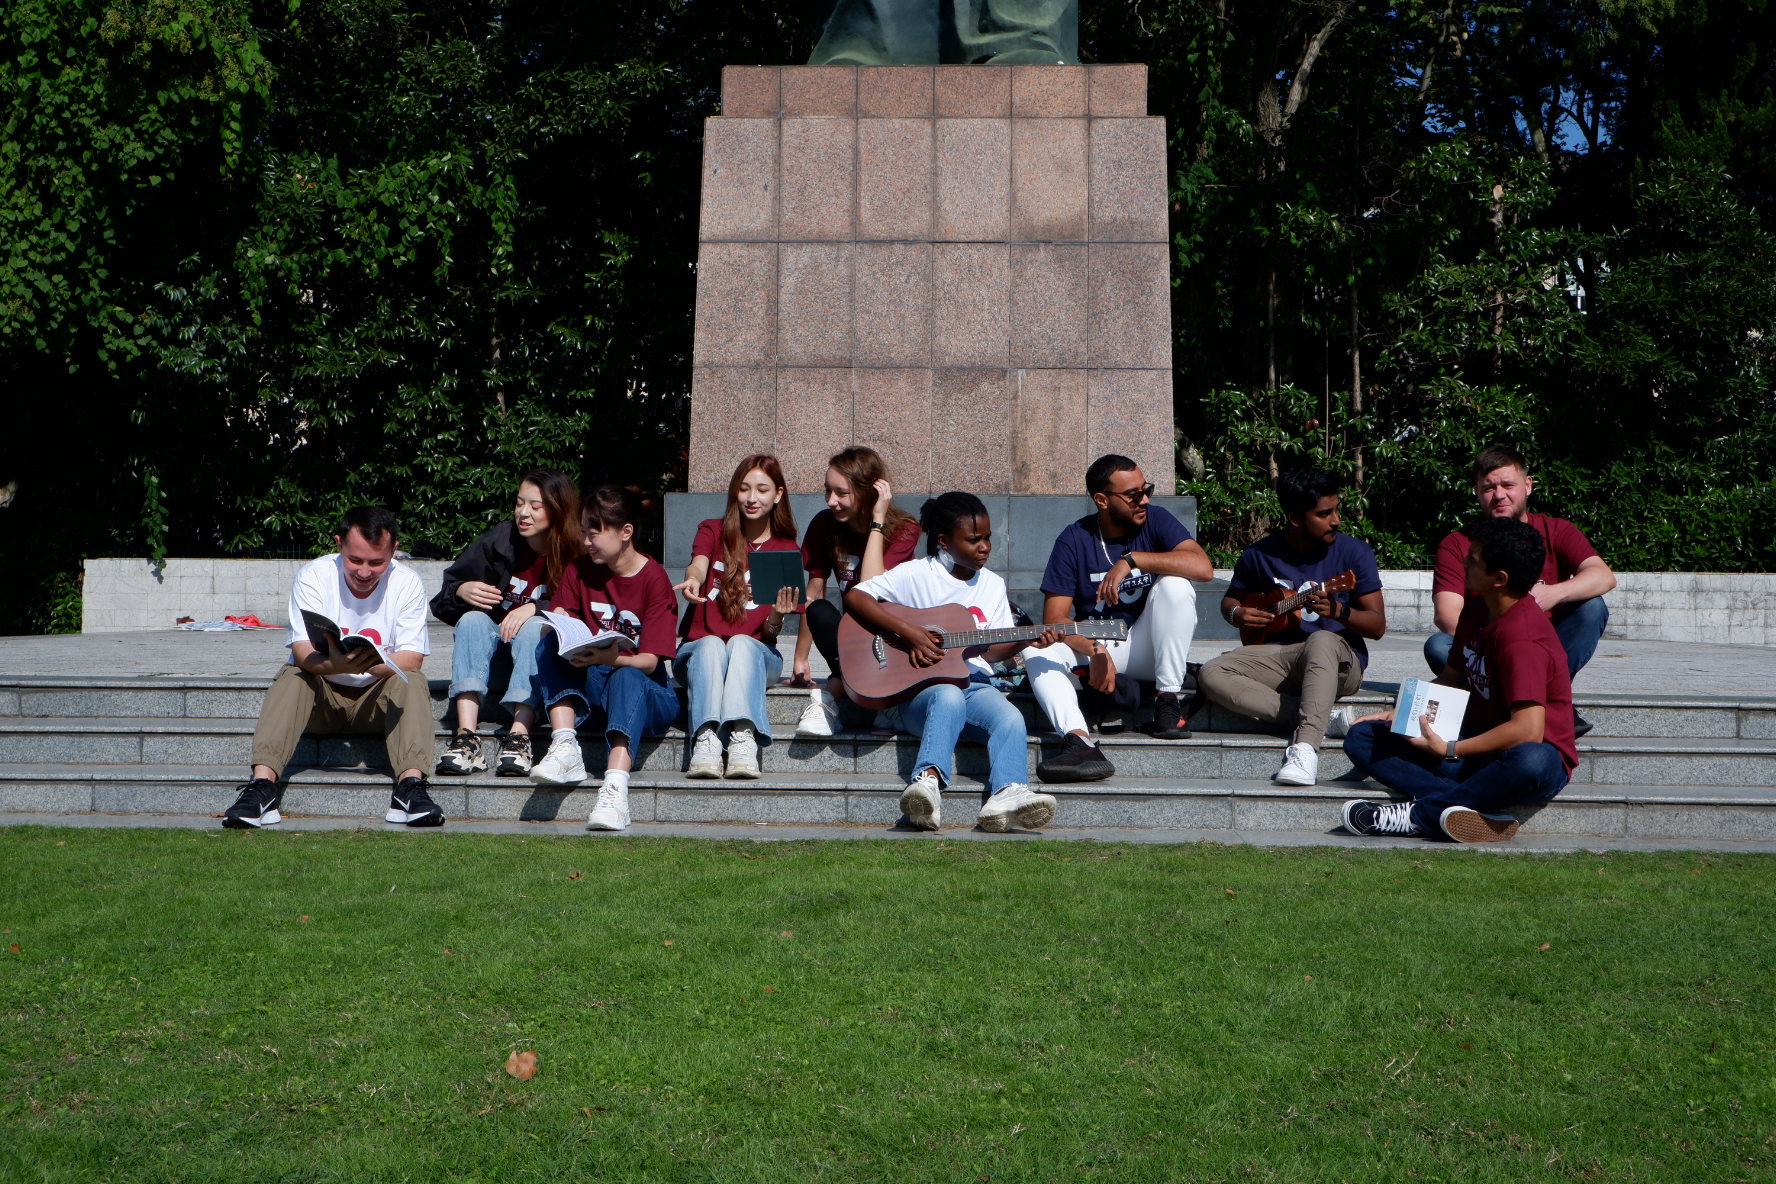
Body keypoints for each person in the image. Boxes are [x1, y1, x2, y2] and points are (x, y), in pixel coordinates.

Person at [1341, 516, 1577, 842]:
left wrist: (1449, 748)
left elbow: (1528, 730)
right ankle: (1470, 808)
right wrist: (1405, 712)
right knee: (1363, 737)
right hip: (1474, 745)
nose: (1465, 562)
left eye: (1474, 560)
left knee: (1532, 760)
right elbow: (1452, 677)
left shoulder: (1522, 639)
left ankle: (1419, 815)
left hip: (1524, 759)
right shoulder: (1477, 608)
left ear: (1499, 578)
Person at [844, 492, 1063, 832]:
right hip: (922, 694)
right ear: (944, 541)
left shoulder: (993, 584)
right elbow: (857, 596)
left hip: (975, 684)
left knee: (1010, 717)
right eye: (974, 540)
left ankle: (1007, 792)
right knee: (947, 695)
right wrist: (909, 632)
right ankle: (927, 784)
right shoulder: (916, 574)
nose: (985, 547)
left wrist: (1025, 639)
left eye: (987, 537)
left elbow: (990, 652)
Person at [223, 506, 441, 828]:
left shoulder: (407, 582)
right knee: (293, 675)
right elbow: (301, 651)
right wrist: (334, 664)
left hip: (377, 702)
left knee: (410, 679)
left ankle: (410, 788)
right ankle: (262, 787)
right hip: (320, 700)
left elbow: (412, 657)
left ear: (394, 551)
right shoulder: (314, 575)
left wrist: (368, 664)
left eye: (377, 563)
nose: (364, 572)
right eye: (355, 560)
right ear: (339, 544)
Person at [1021, 454, 1213, 782]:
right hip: (1100, 645)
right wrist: (1094, 649)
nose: (1145, 500)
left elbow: (1203, 568)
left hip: (1149, 646)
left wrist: (1132, 560)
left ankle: (1167, 701)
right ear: (1102, 500)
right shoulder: (1074, 538)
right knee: (1035, 650)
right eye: (1133, 495)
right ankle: (1079, 741)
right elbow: (1054, 619)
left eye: (1146, 489)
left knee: (1176, 586)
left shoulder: (1156, 520)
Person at [1198, 469, 1386, 787]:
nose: (1336, 520)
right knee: (1211, 672)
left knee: (1322, 639)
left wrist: (1339, 611)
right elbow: (1230, 600)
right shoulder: (1259, 555)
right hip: (1282, 658)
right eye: (1324, 514)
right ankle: (1322, 717)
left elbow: (1377, 625)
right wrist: (1237, 614)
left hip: (1339, 662)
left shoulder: (1355, 553)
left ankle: (1305, 749)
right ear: (1295, 518)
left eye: (1336, 510)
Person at [1425, 445, 1615, 736]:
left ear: (1528, 485)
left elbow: (1603, 576)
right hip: (1486, 648)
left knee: (1592, 607)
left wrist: (1551, 594)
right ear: (1477, 491)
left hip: (1544, 650)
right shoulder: (1457, 543)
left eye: (1508, 485)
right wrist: (1501, 637)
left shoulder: (1557, 530)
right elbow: (1447, 614)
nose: (1499, 495)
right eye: (1489, 488)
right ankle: (1542, 706)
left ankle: (1536, 698)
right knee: (1438, 646)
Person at [529, 484, 680, 832]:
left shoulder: (654, 578)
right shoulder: (579, 569)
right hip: (596, 687)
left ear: (626, 532)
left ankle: (615, 790)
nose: (586, 542)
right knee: (549, 643)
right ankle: (565, 745)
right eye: (583, 532)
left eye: (594, 533)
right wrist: (559, 622)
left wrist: (612, 660)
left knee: (628, 675)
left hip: (648, 695)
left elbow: (650, 661)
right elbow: (555, 625)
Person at [430, 470, 581, 777]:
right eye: (519, 503)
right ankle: (466, 737)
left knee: (534, 625)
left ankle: (519, 736)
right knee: (472, 619)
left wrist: (538, 608)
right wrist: (461, 590)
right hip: (493, 660)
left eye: (535, 506)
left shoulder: (575, 550)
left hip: (543, 665)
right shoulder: (501, 539)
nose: (523, 513)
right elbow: (444, 596)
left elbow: (583, 611)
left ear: (558, 509)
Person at [673, 455, 802, 779]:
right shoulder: (713, 530)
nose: (751, 498)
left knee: (742, 643)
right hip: (700, 652)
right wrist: (693, 579)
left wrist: (777, 614)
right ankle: (706, 740)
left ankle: (743, 737)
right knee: (712, 644)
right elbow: (698, 562)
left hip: (757, 655)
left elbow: (769, 634)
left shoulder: (785, 548)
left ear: (778, 494)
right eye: (744, 489)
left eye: (762, 489)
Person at [792, 446, 920, 737]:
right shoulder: (824, 524)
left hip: (893, 636)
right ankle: (877, 704)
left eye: (841, 493)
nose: (831, 501)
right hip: (851, 637)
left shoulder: (904, 529)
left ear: (869, 492)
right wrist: (800, 659)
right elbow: (814, 592)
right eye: (828, 491)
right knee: (819, 610)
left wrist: (877, 522)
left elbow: (871, 589)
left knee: (865, 609)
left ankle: (830, 698)